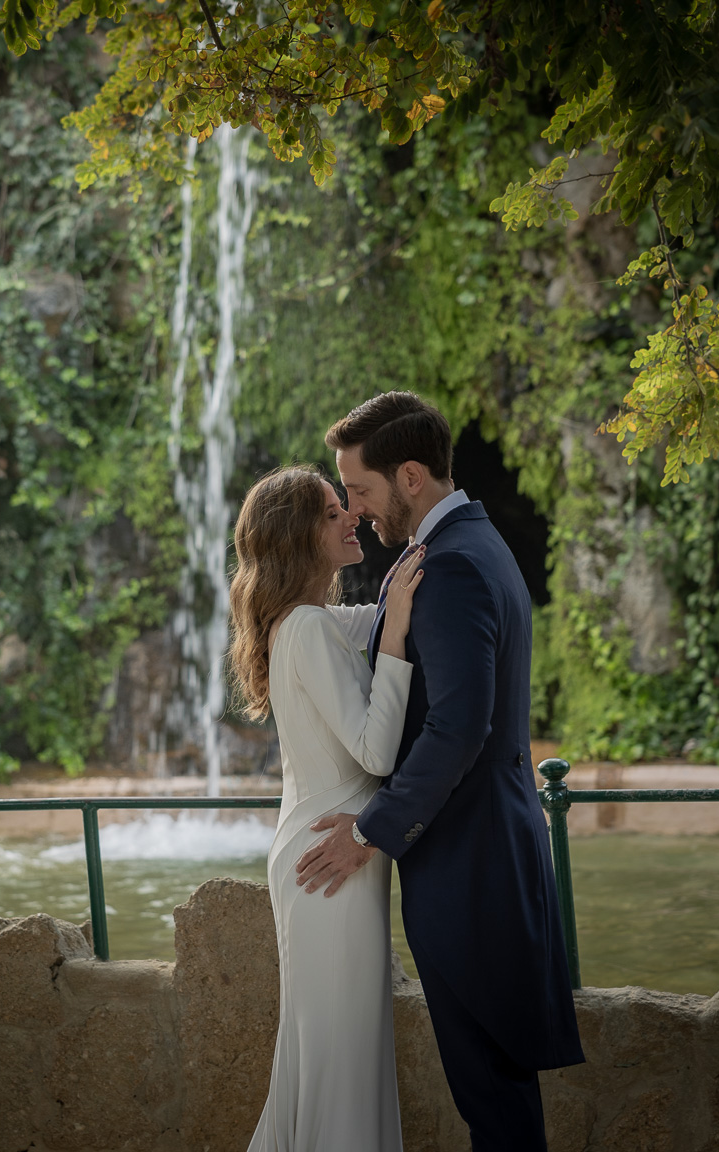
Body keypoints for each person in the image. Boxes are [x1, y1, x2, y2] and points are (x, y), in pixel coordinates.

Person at [295, 391, 584, 1150]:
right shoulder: (465, 548)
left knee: (492, 1099)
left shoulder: (451, 567)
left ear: (411, 475)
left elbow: (459, 727)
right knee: (494, 1099)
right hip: (482, 858)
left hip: (472, 868)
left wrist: (370, 831)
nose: (355, 509)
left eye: (359, 489)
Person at [230, 464, 426, 1152]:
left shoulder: (304, 622)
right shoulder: (307, 628)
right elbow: (375, 753)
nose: (349, 516)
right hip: (331, 864)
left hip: (322, 853)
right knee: (341, 1058)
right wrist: (398, 631)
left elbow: (371, 620)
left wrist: (410, 588)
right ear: (296, 537)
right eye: (328, 512)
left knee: (331, 1055)